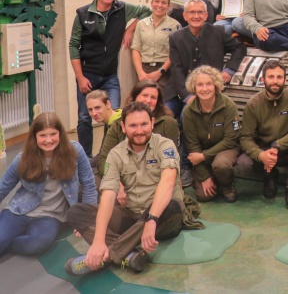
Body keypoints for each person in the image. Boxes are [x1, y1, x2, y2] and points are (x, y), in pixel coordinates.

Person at [66, 101, 184, 275]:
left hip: (163, 218)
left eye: (144, 124)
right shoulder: (116, 154)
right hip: (133, 216)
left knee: (171, 205)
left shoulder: (165, 145)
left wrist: (152, 219)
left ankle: (108, 255)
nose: (139, 130)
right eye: (133, 125)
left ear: (152, 123)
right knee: (77, 212)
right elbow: (108, 194)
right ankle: (128, 254)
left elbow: (167, 182)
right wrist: (98, 240)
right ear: (123, 127)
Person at [70, 0, 152, 156]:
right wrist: (80, 77)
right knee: (85, 118)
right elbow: (73, 45)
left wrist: (129, 29)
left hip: (110, 76)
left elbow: (146, 11)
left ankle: (107, 155)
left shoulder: (122, 8)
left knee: (115, 117)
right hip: (87, 74)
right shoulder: (83, 14)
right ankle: (86, 158)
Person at [0, 113, 95, 257]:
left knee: (36, 245)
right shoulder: (23, 158)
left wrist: (86, 218)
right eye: (43, 135)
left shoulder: (75, 151)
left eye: (53, 134)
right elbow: (3, 187)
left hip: (51, 216)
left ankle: (10, 241)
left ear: (60, 134)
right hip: (18, 210)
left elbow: (88, 184)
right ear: (35, 137)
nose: (48, 140)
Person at [237, 59, 288, 210]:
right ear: (263, 80)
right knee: (243, 163)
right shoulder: (253, 104)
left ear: (285, 80)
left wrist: (279, 144)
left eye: (279, 77)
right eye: (271, 77)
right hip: (265, 150)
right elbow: (245, 138)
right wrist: (261, 155)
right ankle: (270, 175)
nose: (275, 81)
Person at [95, 79, 181, 189]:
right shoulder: (118, 124)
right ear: (134, 97)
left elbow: (173, 159)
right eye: (144, 95)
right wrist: (115, 182)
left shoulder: (168, 123)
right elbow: (103, 159)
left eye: (153, 97)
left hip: (156, 180)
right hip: (123, 178)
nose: (148, 100)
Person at [168, 0, 245, 116]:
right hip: (180, 89)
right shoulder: (175, 38)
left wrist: (229, 70)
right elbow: (176, 69)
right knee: (164, 114)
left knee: (187, 116)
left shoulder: (218, 32)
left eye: (200, 12)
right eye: (192, 12)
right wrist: (187, 96)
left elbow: (239, 48)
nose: (196, 16)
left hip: (207, 89)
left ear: (206, 15)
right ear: (185, 16)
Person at [182, 66, 241, 203]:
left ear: (215, 85)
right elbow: (192, 146)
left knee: (220, 164)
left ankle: (227, 185)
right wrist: (204, 177)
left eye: (208, 84)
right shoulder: (188, 112)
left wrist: (204, 156)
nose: (204, 89)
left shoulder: (228, 105)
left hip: (227, 149)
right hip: (202, 155)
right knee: (204, 196)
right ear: (193, 87)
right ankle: (210, 178)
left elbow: (231, 139)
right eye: (200, 85)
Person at [131, 0, 180, 96]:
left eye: (163, 3)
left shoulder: (174, 25)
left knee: (160, 102)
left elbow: (175, 52)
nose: (159, 5)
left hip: (165, 71)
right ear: (151, 3)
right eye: (157, 1)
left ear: (168, 5)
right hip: (144, 70)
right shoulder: (141, 24)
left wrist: (160, 72)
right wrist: (140, 72)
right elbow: (136, 49)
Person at [86, 90, 122, 176]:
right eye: (90, 109)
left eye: (98, 108)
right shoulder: (109, 122)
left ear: (108, 104)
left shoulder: (118, 123)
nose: (94, 113)